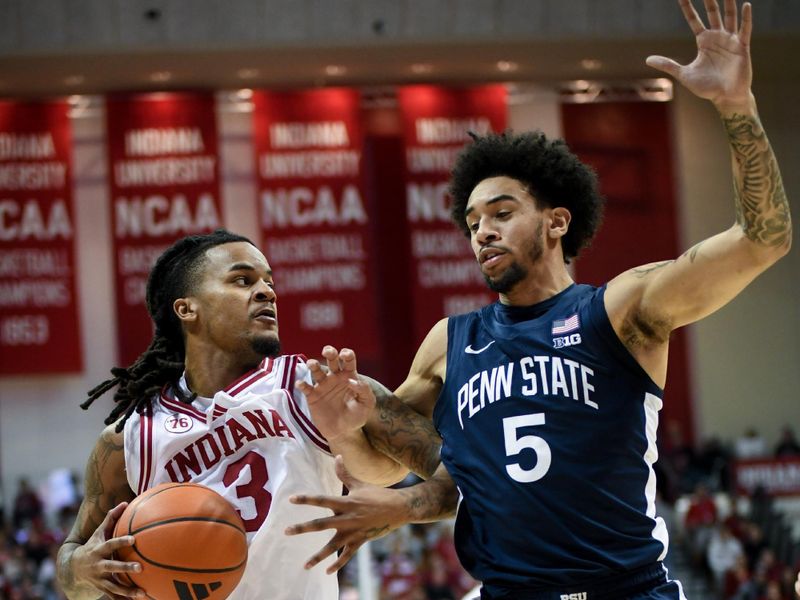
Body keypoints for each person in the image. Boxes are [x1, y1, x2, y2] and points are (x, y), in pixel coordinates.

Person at [287, 1, 792, 599]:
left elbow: (764, 239)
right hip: (507, 592)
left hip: (626, 590)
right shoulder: (453, 342)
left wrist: (737, 106)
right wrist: (347, 430)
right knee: (372, 395)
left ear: (556, 222)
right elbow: (386, 464)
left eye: (502, 213)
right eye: (472, 222)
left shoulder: (618, 310)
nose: (483, 233)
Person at [55, 229, 436, 600]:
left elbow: (449, 467)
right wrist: (84, 569)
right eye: (242, 280)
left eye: (269, 282)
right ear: (187, 308)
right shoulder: (130, 438)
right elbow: (72, 565)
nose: (267, 291)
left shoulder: (318, 386)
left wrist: (399, 503)